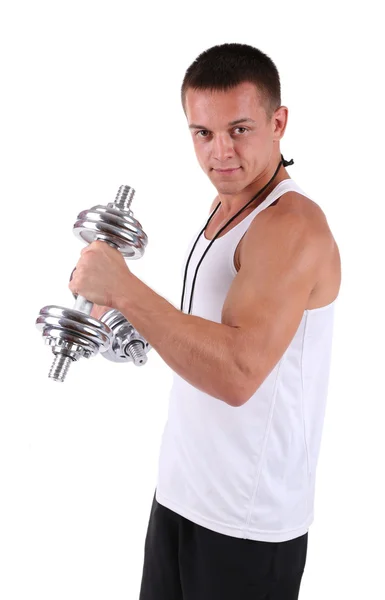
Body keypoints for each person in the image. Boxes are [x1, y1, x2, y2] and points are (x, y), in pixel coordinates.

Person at [69, 42, 341, 599]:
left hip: (248, 524)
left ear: (278, 122)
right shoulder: (228, 203)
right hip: (181, 495)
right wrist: (120, 310)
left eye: (239, 129)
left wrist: (126, 287)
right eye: (203, 133)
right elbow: (201, 330)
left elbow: (237, 373)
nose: (221, 152)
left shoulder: (291, 227)